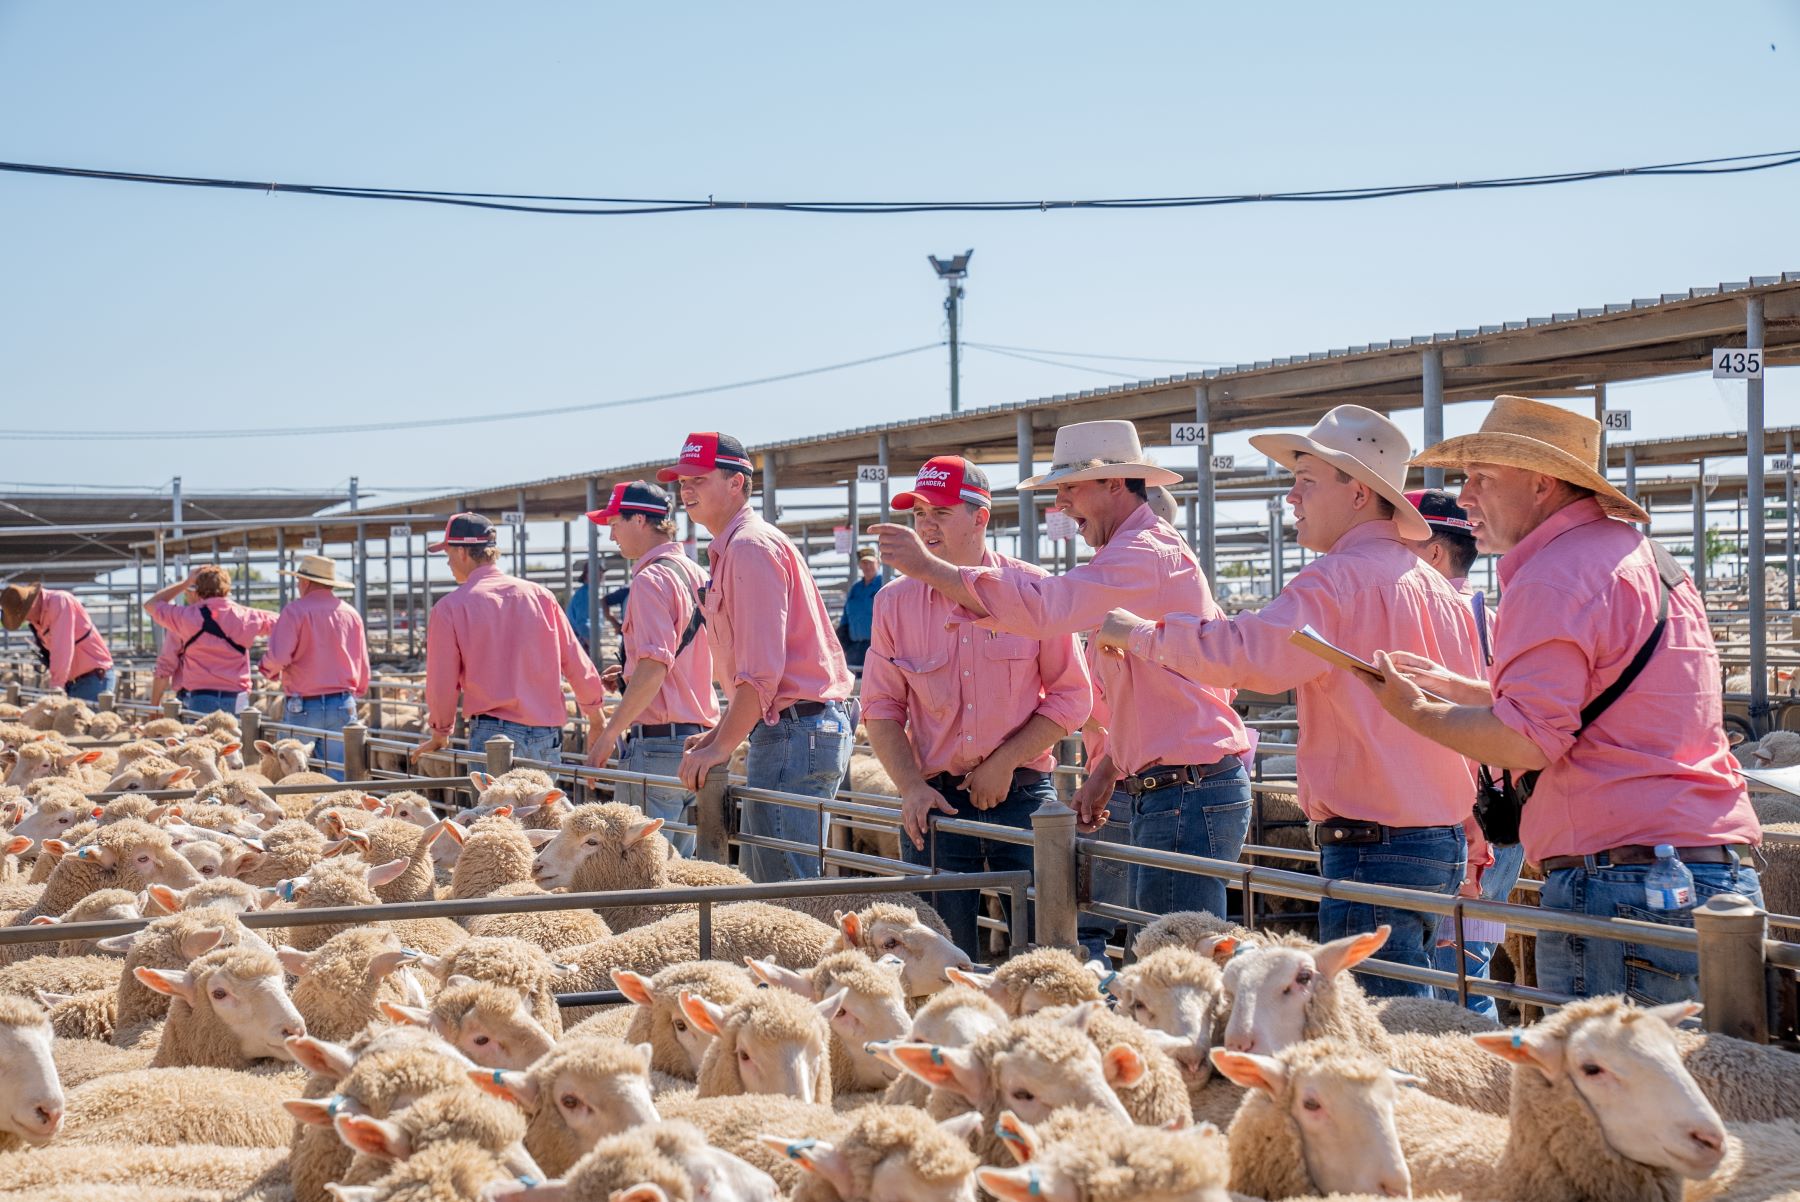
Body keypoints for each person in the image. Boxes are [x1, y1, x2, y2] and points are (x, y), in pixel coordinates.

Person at [1360, 395, 1762, 1004]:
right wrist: (1458, 687)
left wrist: (1413, 712)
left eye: (1483, 478)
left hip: (1618, 882)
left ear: (1542, 483)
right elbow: (1606, 704)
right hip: (1713, 870)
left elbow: (1527, 739)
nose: (1466, 497)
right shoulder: (1653, 564)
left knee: (1599, 1094)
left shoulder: (1552, 573)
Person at [1094, 406, 1482, 997]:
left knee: (1368, 1028)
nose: (1291, 496)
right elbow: (1469, 719)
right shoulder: (1437, 589)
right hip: (1436, 838)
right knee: (1408, 1010)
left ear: (1356, 492)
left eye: (1307, 480)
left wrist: (1141, 634)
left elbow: (1251, 655)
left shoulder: (1336, 581)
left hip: (1373, 843)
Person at [872, 420, 1250, 962]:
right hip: (1163, 788)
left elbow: (1048, 620)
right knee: (1165, 956)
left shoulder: (1141, 555)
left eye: (1071, 487)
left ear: (1114, 484)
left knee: (1173, 964)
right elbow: (1139, 690)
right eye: (920, 515)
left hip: (1172, 791)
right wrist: (1106, 769)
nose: (1062, 502)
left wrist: (927, 568)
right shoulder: (1125, 558)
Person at [861, 457, 1092, 957]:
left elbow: (1074, 694)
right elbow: (880, 706)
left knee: (1042, 952)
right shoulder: (893, 602)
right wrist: (910, 787)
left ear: (980, 517)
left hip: (1022, 794)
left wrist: (1004, 762)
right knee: (935, 958)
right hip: (936, 803)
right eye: (918, 513)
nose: (925, 525)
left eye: (940, 513)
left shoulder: (1033, 591)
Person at [662, 432, 855, 883]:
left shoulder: (748, 548)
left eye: (698, 480)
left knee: (783, 889)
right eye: (682, 482)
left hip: (792, 730)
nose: (686, 490)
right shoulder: (738, 546)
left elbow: (761, 673)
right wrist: (717, 736)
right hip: (793, 726)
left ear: (737, 483)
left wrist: (721, 748)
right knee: (774, 879)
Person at [1404, 488, 1521, 1018]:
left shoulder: (1429, 618)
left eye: (1399, 542)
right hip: (1502, 811)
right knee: (1466, 961)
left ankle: (1466, 1082)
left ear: (1432, 552)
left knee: (1446, 972)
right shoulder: (1496, 619)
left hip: (1460, 816)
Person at [584, 481, 718, 855]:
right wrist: (629, 673)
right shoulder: (696, 573)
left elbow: (656, 664)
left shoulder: (649, 579)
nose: (611, 535)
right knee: (681, 871)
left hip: (658, 746)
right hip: (699, 742)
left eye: (615, 522)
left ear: (640, 519)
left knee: (637, 871)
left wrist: (610, 732)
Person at [410, 513, 607, 767]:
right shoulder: (540, 596)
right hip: (545, 735)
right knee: (544, 807)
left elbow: (442, 681)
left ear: (462, 552)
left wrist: (440, 732)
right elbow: (574, 659)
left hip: (493, 735)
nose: (448, 562)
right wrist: (595, 716)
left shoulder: (449, 608)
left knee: (495, 807)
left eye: (448, 553)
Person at [259, 555, 371, 781]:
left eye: (299, 581)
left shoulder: (294, 612)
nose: (299, 585)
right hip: (341, 703)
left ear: (306, 582)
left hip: (303, 705)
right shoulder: (350, 614)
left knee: (292, 773)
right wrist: (354, 692)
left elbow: (279, 656)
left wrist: (266, 669)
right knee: (340, 773)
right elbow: (363, 666)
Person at [144, 565, 277, 716]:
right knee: (233, 739)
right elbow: (283, 621)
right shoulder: (247, 616)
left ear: (197, 589)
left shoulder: (185, 617)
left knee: (202, 739)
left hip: (199, 695)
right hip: (236, 696)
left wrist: (185, 583)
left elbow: (150, 605)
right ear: (227, 589)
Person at [1, 583, 115, 704]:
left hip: (93, 678)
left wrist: (56, 685)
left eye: (22, 616)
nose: (25, 620)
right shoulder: (37, 620)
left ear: (31, 605)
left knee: (88, 722)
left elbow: (62, 646)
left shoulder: (59, 602)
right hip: (71, 682)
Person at [837, 548, 884, 668]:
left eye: (870, 562)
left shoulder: (886, 584)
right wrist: (844, 642)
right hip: (854, 648)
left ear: (878, 563)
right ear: (860, 566)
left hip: (879, 647)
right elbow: (845, 618)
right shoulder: (855, 588)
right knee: (856, 683)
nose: (867, 566)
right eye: (864, 563)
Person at [565, 564, 592, 650]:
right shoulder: (585, 594)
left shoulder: (585, 592)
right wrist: (591, 644)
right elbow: (582, 622)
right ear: (588, 575)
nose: (602, 576)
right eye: (599, 572)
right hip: (582, 641)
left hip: (579, 640)